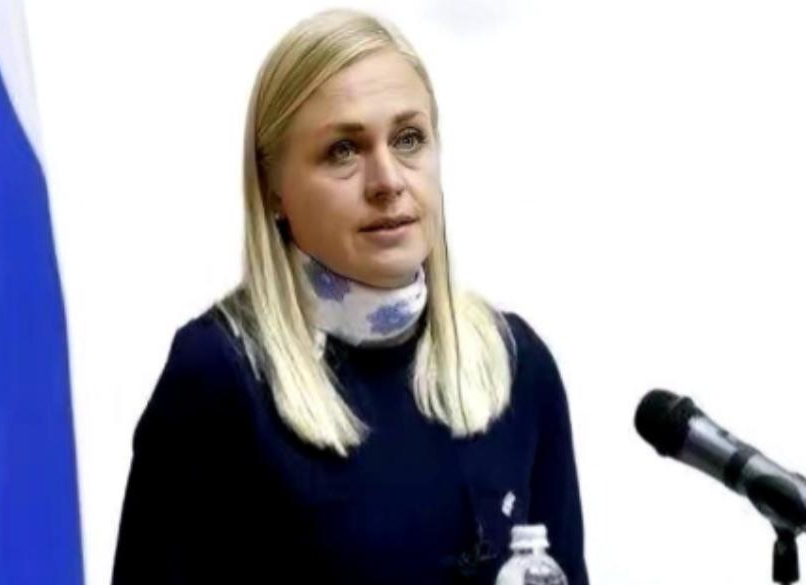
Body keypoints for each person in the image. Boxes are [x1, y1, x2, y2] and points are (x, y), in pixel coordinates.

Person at [111, 8, 588, 584]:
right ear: (273, 189)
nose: (388, 181)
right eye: (343, 150)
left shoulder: (515, 364)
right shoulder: (221, 375)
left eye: (409, 139)